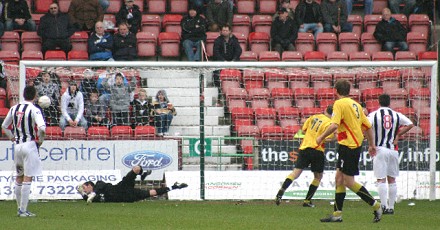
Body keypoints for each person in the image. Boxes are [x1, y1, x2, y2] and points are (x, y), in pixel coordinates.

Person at [316, 79, 382, 223]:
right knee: (338, 178)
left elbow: (334, 125)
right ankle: (337, 214)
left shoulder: (339, 104)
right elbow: (368, 126)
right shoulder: (356, 105)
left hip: (349, 147)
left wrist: (321, 137)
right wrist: (371, 144)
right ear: (349, 91)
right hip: (351, 145)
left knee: (348, 181)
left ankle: (376, 205)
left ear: (336, 91)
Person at [275, 105, 335, 207]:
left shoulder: (314, 117)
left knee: (295, 173)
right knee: (318, 176)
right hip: (317, 150)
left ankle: (281, 191)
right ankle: (307, 201)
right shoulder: (330, 124)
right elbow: (328, 138)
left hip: (304, 148)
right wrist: (332, 139)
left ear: (325, 110)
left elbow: (303, 131)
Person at [1, 86, 46, 217]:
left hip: (17, 146)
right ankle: (23, 210)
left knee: (19, 176)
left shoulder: (14, 108)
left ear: (23, 94)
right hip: (29, 145)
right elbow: (42, 128)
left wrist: (11, 138)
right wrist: (41, 140)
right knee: (28, 177)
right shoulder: (34, 109)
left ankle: (20, 209)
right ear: (35, 96)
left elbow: (4, 125)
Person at [367, 94, 414, 215]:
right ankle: (391, 208)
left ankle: (383, 206)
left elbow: (365, 126)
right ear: (389, 103)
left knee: (381, 179)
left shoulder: (374, 115)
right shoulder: (396, 114)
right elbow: (410, 124)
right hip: (393, 150)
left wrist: (371, 144)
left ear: (379, 102)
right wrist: (398, 135)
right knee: (392, 179)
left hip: (380, 149)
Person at [77, 166, 188, 203]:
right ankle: (174, 186)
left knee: (136, 168)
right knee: (151, 193)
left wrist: (93, 193)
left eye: (84, 187)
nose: (84, 190)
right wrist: (82, 193)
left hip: (122, 187)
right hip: (127, 197)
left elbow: (99, 187)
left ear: (90, 185)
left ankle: (142, 174)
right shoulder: (92, 198)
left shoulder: (98, 184)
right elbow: (86, 198)